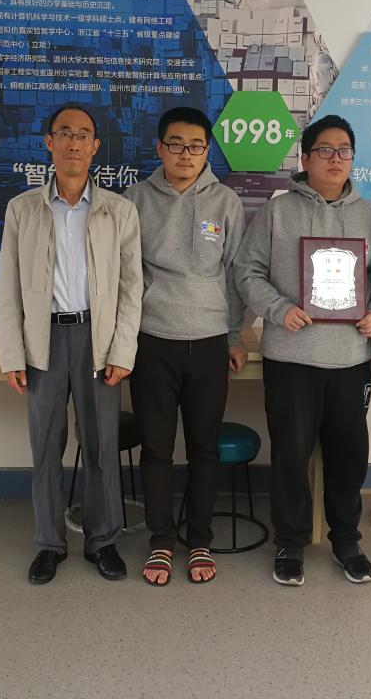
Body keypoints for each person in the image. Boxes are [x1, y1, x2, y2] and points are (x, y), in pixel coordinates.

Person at [235, 114, 371, 586]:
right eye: (324, 150)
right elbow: (246, 272)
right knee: (290, 456)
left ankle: (346, 541)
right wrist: (279, 309)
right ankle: (290, 542)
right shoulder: (278, 212)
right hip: (291, 359)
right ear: (305, 158)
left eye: (344, 151)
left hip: (350, 360)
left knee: (348, 457)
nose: (335, 159)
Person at [0, 104, 142, 585]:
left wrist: (122, 351)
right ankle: (49, 544)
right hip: (44, 341)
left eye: (83, 135)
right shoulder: (23, 209)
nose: (74, 142)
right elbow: (9, 288)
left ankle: (103, 541)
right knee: (45, 446)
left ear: (95, 146)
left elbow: (131, 289)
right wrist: (12, 354)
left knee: (101, 446)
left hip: (98, 339)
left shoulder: (118, 211)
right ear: (49, 142)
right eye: (65, 133)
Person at [124, 107, 247, 586]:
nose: (185, 154)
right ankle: (161, 540)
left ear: (207, 151)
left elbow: (236, 275)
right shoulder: (134, 200)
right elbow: (125, 278)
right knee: (156, 449)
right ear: (160, 148)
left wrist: (234, 336)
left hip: (210, 341)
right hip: (152, 341)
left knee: (203, 449)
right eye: (175, 144)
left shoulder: (226, 203)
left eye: (196, 146)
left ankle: (199, 540)